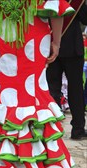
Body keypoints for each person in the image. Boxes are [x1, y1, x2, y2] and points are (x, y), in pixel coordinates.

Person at [0, 0, 75, 168]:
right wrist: (57, 43)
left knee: (4, 91)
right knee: (31, 90)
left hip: (1, 33)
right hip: (34, 36)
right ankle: (33, 154)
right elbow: (56, 8)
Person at [46, 1, 87, 140]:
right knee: (75, 89)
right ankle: (78, 129)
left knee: (52, 88)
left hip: (50, 46)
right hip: (73, 48)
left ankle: (52, 128)